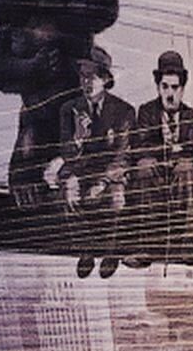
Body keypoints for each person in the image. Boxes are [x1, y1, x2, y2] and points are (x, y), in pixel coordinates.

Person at [0, 0, 119, 207]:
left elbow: (102, 12)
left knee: (83, 184)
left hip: (77, 118)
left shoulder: (55, 6)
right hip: (36, 122)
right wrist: (32, 68)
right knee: (24, 180)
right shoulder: (11, 28)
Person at [51, 46, 135, 280]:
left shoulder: (124, 111)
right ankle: (86, 250)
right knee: (70, 192)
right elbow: (66, 153)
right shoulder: (69, 109)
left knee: (117, 199)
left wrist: (102, 182)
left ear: (105, 80)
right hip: (80, 170)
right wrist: (78, 137)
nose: (86, 82)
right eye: (83, 76)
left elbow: (122, 155)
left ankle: (111, 251)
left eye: (93, 76)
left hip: (111, 173)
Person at [125, 51, 193, 270]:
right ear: (158, 87)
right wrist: (167, 151)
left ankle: (190, 242)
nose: (170, 94)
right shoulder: (146, 112)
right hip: (155, 169)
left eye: (175, 88)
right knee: (145, 167)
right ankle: (147, 246)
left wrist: (176, 155)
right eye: (165, 87)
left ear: (182, 89)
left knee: (187, 168)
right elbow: (140, 145)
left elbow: (192, 149)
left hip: (180, 170)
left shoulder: (190, 115)